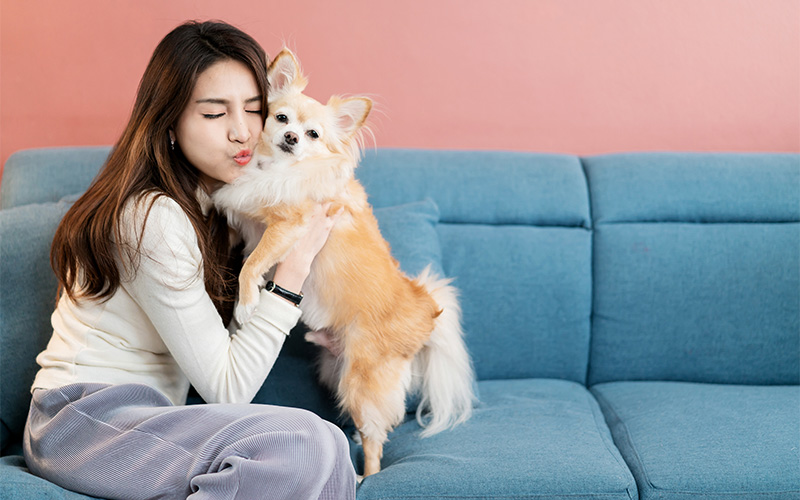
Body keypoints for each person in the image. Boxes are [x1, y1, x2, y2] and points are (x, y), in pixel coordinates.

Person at [22, 20, 356, 500]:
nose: (242, 131)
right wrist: (293, 268)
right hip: (79, 420)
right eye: (215, 113)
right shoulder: (151, 217)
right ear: (171, 122)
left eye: (255, 109)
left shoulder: (221, 204)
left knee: (329, 452)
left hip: (150, 417)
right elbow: (227, 387)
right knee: (304, 444)